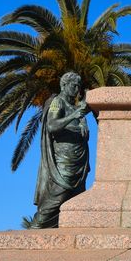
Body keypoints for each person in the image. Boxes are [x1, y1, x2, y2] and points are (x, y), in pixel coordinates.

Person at [29, 72, 91, 228]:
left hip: (78, 160)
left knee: (75, 199)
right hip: (64, 160)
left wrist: (82, 123)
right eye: (74, 85)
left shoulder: (76, 107)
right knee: (59, 193)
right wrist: (75, 115)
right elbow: (52, 125)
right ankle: (37, 224)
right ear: (64, 85)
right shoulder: (58, 102)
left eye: (79, 86)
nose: (77, 89)